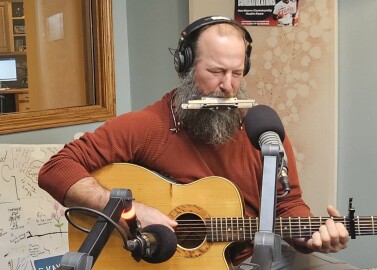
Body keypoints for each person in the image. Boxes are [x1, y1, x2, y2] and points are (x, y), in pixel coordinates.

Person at [38, 16, 355, 269]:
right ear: (186, 66)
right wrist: (132, 212)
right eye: (216, 71)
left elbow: (287, 205)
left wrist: (314, 234)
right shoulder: (148, 126)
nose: (227, 86)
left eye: (237, 72)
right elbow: (56, 169)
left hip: (260, 255)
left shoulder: (262, 129)